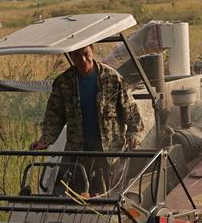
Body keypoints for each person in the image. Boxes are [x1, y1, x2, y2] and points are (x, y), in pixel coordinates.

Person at [30, 44, 144, 194]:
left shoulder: (112, 78)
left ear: (92, 51)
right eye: (76, 55)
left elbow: (132, 113)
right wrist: (44, 140)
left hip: (110, 153)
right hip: (78, 153)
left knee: (109, 198)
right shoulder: (64, 83)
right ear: (71, 57)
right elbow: (54, 116)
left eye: (85, 54)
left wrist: (134, 136)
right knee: (77, 198)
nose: (82, 59)